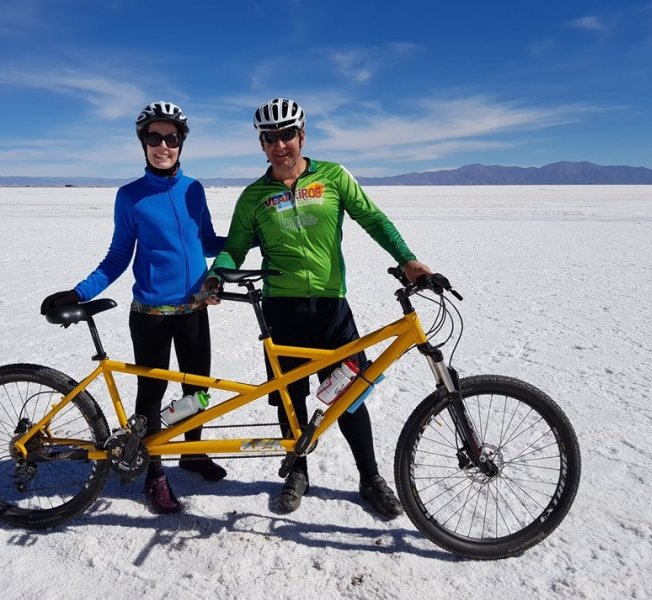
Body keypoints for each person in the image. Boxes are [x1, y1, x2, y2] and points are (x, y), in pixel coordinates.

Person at [204, 98, 432, 517]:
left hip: (331, 308)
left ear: (302, 135)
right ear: (262, 144)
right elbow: (234, 248)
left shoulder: (333, 176)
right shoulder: (254, 196)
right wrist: (217, 272)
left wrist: (407, 259)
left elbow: (373, 219)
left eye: (286, 135)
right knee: (291, 397)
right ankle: (298, 472)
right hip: (281, 309)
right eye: (270, 138)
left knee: (349, 395)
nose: (280, 145)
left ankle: (370, 477)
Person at [41, 101, 227, 514]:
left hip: (195, 309)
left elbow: (208, 242)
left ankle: (192, 454)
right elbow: (118, 256)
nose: (163, 145)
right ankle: (154, 473)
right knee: (151, 397)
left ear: (182, 143)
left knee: (197, 391)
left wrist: (251, 239)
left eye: (171, 138)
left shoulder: (194, 189)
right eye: (154, 137)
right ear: (143, 142)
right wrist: (80, 292)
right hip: (151, 317)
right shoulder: (130, 197)